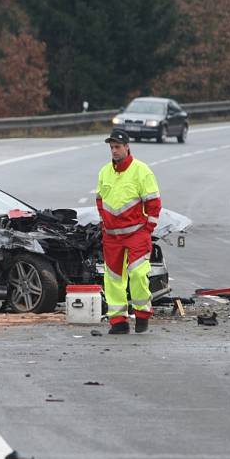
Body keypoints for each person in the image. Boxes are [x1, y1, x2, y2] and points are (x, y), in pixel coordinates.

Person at [96, 129, 161, 334]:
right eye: (111, 147)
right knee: (113, 278)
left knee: (138, 273)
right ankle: (118, 322)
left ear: (127, 147)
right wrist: (104, 223)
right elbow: (100, 200)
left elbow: (154, 203)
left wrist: (148, 228)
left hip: (136, 234)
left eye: (117, 147)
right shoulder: (105, 171)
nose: (114, 151)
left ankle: (142, 315)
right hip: (112, 235)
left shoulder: (142, 171)